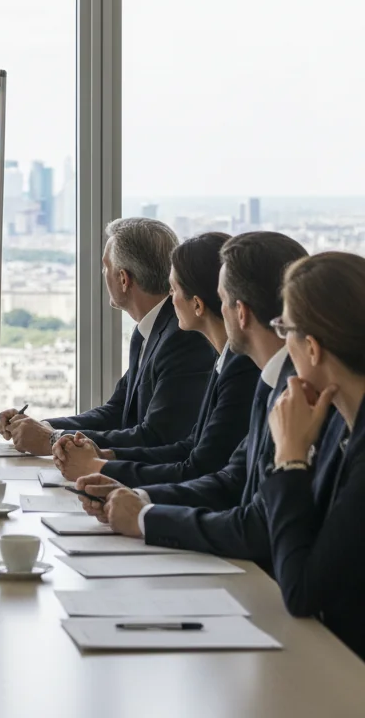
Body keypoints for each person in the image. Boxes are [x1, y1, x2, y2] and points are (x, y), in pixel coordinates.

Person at [76, 232, 324, 567]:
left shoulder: (273, 382)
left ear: (241, 313)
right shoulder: (266, 378)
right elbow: (232, 476)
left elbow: (240, 503)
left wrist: (144, 515)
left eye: (222, 299)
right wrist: (140, 498)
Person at [53, 232, 260, 485]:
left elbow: (197, 464)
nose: (170, 300)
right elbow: (190, 447)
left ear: (197, 304)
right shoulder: (222, 360)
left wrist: (102, 468)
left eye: (173, 289)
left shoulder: (229, 363)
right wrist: (104, 456)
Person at [0, 218, 217, 455]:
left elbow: (157, 437)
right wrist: (43, 427)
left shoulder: (182, 339)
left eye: (105, 267)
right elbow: (117, 411)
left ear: (124, 279)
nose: (103, 274)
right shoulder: (150, 329)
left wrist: (52, 439)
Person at [263, 252, 365, 660]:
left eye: (284, 327)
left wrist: (290, 458)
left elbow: (303, 590)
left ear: (312, 347)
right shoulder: (340, 422)